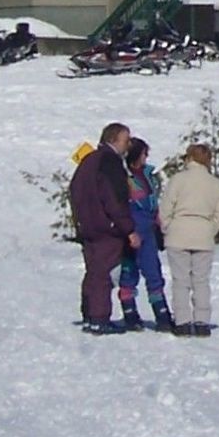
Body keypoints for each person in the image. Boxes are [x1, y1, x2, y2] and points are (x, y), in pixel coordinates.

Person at [69, 122, 137, 335]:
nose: (128, 145)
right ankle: (99, 318)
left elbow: (74, 190)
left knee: (93, 272)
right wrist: (127, 228)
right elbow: (113, 198)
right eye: (126, 140)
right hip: (106, 227)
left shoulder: (88, 161)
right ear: (114, 140)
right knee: (104, 273)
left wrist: (81, 219)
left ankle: (90, 315)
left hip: (88, 226)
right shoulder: (110, 163)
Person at [161, 142, 219, 336]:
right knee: (201, 281)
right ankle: (202, 322)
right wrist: (209, 230)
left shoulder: (178, 179)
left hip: (178, 234)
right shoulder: (215, 183)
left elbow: (166, 207)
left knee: (180, 280)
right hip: (203, 236)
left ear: (189, 158)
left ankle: (182, 322)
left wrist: (168, 227)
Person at [116, 138, 173, 332]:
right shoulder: (123, 176)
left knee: (153, 271)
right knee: (129, 271)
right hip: (131, 228)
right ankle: (130, 311)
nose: (146, 157)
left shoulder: (148, 174)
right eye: (144, 154)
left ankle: (162, 312)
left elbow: (153, 202)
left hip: (148, 228)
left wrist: (158, 222)